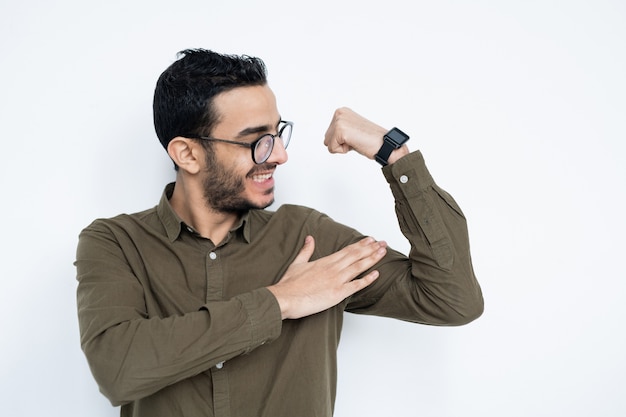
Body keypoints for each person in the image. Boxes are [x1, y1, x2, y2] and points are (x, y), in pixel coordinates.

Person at [75, 48, 484, 417]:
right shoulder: (115, 243)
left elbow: (452, 300)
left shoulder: (310, 238)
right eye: (256, 141)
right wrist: (281, 301)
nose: (281, 155)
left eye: (277, 133)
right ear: (187, 153)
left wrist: (394, 153)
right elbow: (118, 369)